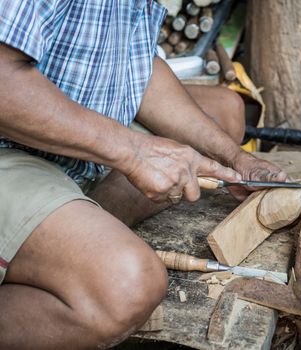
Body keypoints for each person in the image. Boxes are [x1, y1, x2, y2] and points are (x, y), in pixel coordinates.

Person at [0, 1, 286, 349]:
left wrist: (235, 157)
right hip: (10, 145)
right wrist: (134, 151)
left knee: (225, 112)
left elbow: (136, 67)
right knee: (127, 286)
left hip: (64, 146)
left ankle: (69, 235)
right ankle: (74, 254)